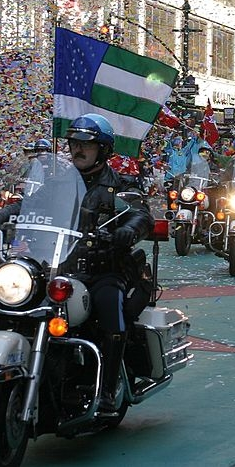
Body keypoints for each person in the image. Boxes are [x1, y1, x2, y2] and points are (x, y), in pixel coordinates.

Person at [64, 114, 154, 411]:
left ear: (103, 150)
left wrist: (129, 229)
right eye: (74, 143)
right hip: (62, 266)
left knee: (110, 309)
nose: (78, 149)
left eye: (86, 145)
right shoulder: (58, 181)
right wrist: (2, 215)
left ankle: (106, 387)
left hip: (105, 266)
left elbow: (140, 213)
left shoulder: (118, 186)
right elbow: (30, 202)